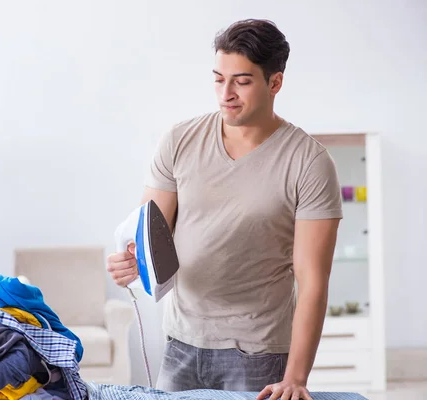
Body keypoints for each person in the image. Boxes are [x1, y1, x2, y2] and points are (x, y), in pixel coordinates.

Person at [106, 18, 342, 400]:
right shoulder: (178, 141)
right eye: (219, 79)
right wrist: (130, 263)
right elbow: (150, 236)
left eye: (242, 81)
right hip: (181, 340)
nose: (226, 93)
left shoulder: (309, 162)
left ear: (275, 83)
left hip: (257, 352)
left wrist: (296, 377)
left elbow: (313, 280)